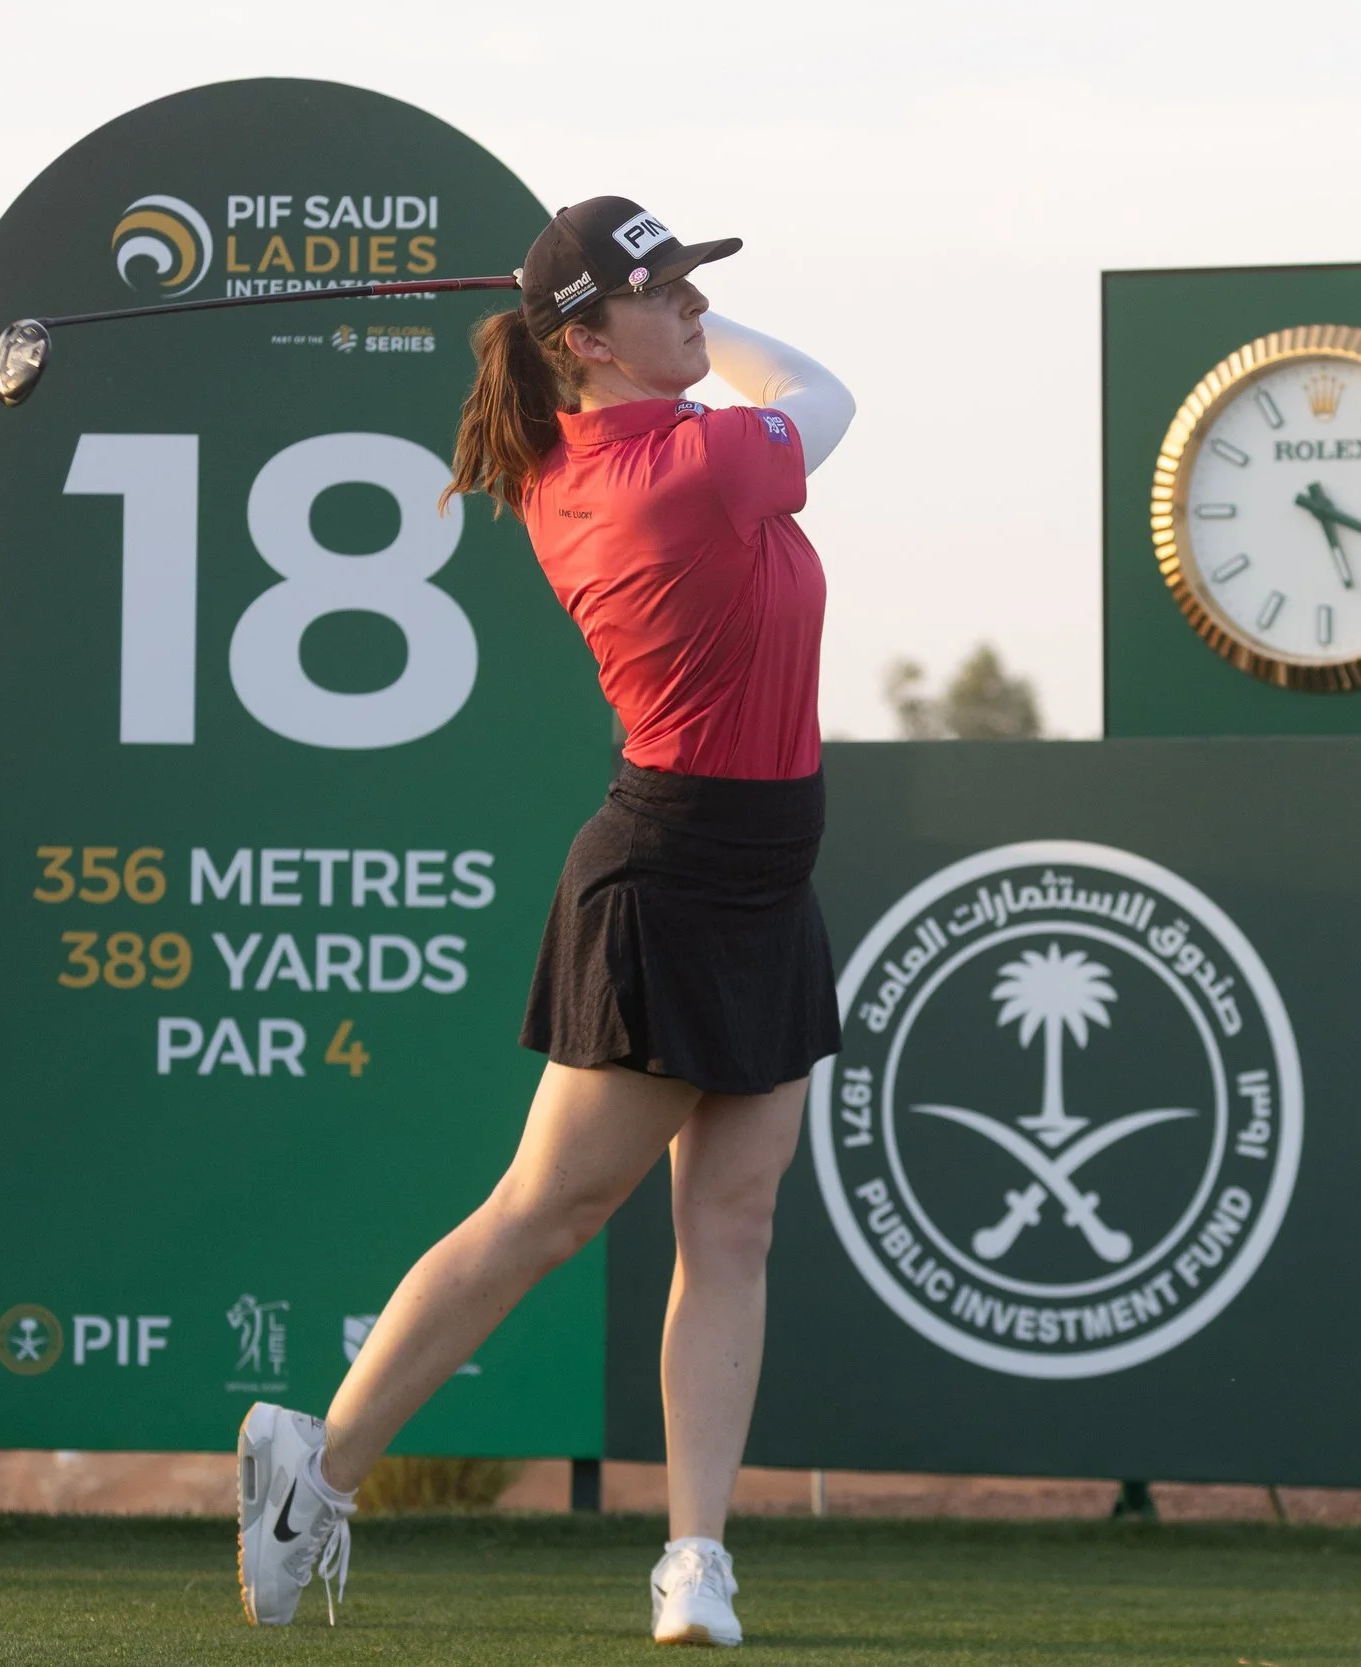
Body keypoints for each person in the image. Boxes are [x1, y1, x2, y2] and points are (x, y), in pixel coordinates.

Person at [234, 197, 855, 1647]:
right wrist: (712, 350)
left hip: (766, 865)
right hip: (669, 869)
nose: (697, 314)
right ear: (583, 339)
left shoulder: (625, 444)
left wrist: (651, 320)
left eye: (702, 292)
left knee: (737, 1220)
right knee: (549, 1211)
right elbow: (826, 398)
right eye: (670, 296)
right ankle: (312, 1470)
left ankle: (695, 1557)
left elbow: (724, 383)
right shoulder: (673, 473)